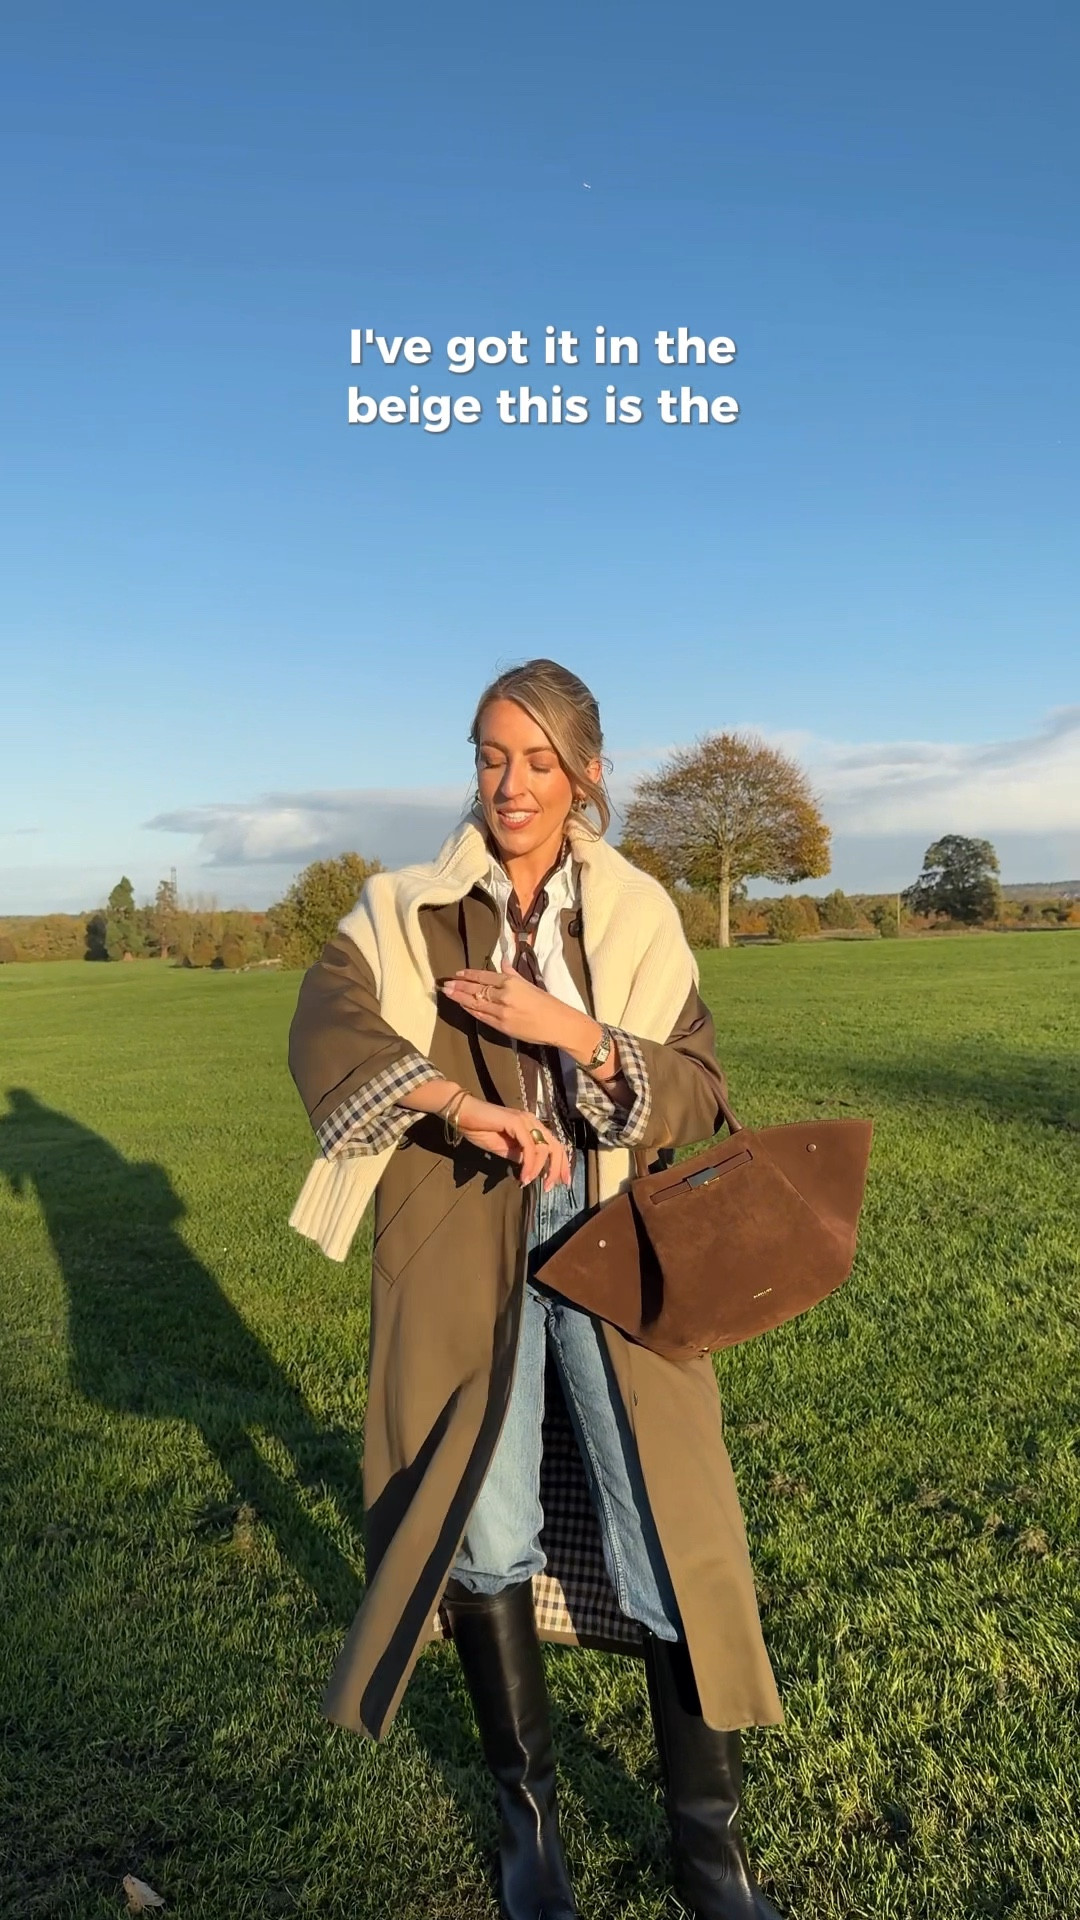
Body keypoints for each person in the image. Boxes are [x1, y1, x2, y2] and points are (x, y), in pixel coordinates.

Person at [288, 658, 784, 1920]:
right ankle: (530, 1837)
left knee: (666, 1521)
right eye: (489, 757)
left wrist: (567, 1034)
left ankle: (709, 1856)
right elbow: (329, 1024)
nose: (508, 785)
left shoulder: (638, 913)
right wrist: (460, 1103)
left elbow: (695, 1091)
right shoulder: (402, 905)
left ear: (587, 773)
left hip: (614, 1237)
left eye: (536, 761)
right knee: (490, 1526)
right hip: (464, 1237)